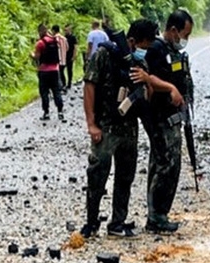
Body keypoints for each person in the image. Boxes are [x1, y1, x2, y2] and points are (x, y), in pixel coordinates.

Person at [82, 19, 159, 238]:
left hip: (129, 128)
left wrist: (146, 80)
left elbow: (148, 98)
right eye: (144, 46)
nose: (145, 50)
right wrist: (91, 124)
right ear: (133, 41)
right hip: (106, 126)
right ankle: (91, 222)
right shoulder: (104, 55)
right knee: (97, 175)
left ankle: (118, 222)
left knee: (126, 176)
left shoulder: (139, 63)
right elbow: (89, 87)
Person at [137, 9, 194, 234]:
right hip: (160, 117)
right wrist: (170, 88)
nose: (185, 40)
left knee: (170, 164)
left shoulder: (173, 51)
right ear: (173, 30)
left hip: (173, 117)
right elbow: (147, 76)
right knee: (164, 165)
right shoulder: (157, 49)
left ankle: (160, 213)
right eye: (185, 34)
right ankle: (156, 217)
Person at [33, 26, 65, 122]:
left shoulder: (40, 43)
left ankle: (46, 113)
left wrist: (32, 55)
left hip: (44, 71)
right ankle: (60, 111)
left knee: (44, 92)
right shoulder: (55, 41)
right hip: (55, 70)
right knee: (56, 91)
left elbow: (37, 57)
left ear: (40, 32)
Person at [52, 25, 70, 91]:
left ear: (53, 30)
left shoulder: (54, 38)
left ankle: (60, 86)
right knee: (62, 72)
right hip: (64, 59)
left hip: (57, 59)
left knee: (58, 74)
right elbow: (67, 48)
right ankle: (64, 85)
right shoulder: (64, 38)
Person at [63, 24, 78, 90]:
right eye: (65, 30)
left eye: (66, 30)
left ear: (70, 30)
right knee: (61, 69)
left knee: (69, 70)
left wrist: (74, 56)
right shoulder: (64, 37)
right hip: (64, 55)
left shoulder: (73, 37)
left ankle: (69, 83)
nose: (65, 31)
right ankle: (63, 83)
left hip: (70, 55)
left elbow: (75, 47)